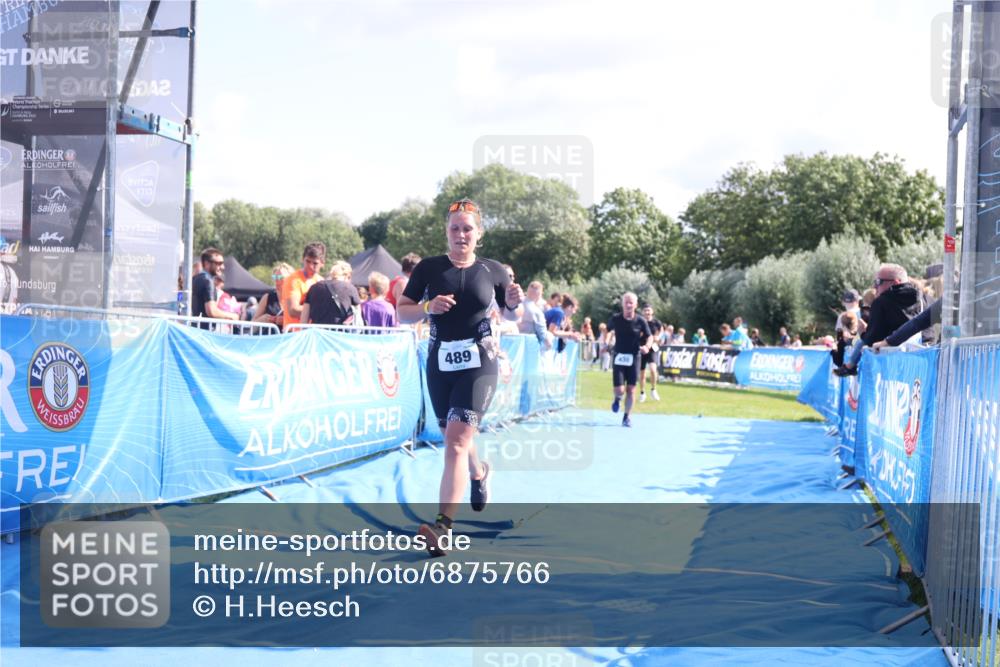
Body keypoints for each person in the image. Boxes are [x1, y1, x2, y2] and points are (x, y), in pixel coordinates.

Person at [395, 198, 523, 557]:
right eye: (455, 228)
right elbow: (401, 312)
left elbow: (513, 315)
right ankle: (479, 472)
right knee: (457, 439)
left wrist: (514, 302)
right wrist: (425, 308)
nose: (461, 234)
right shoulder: (428, 269)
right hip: (439, 363)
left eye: (468, 228)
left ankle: (442, 527)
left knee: (454, 441)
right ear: (446, 232)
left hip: (479, 363)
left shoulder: (493, 270)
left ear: (478, 234)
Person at [835, 263, 924, 376]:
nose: (875, 286)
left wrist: (863, 332)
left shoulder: (881, 302)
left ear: (896, 282)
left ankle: (849, 367)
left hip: (889, 366)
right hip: (916, 360)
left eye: (879, 282)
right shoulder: (921, 299)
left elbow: (872, 339)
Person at [607, 292, 652, 428]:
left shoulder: (640, 321)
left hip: (635, 357)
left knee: (631, 389)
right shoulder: (616, 319)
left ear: (635, 305)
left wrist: (647, 346)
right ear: (622, 304)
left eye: (631, 302)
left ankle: (626, 417)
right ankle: (617, 398)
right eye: (626, 302)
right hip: (619, 357)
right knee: (620, 390)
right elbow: (607, 330)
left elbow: (649, 336)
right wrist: (607, 341)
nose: (628, 305)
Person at [191, 248, 239, 330]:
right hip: (205, 333)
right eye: (218, 263)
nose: (222, 267)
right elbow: (211, 311)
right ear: (206, 263)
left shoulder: (195, 278)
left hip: (195, 329)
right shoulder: (208, 281)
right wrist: (232, 316)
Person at [281, 242, 326, 331]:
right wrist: (321, 311)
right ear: (302, 259)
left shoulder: (322, 282)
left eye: (315, 263)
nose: (310, 266)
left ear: (322, 263)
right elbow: (293, 310)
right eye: (307, 261)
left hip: (313, 334)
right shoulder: (293, 280)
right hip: (294, 334)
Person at [301, 260, 361, 326]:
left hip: (317, 333)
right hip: (340, 334)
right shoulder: (351, 289)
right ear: (348, 276)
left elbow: (304, 317)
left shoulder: (314, 287)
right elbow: (358, 317)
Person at [252, 262, 294, 331]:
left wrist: (286, 322)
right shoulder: (267, 297)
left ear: (290, 279)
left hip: (289, 340)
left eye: (280, 277)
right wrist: (262, 319)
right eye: (275, 277)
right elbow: (252, 325)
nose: (277, 280)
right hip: (269, 339)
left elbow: (302, 324)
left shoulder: (295, 298)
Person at [638, 304, 663, 402]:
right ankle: (642, 393)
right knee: (642, 373)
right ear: (642, 312)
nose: (647, 312)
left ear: (652, 311)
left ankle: (653, 389)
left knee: (653, 370)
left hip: (653, 349)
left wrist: (659, 337)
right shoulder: (640, 322)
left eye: (649, 310)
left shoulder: (656, 322)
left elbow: (661, 331)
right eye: (645, 310)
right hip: (642, 349)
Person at [518, 281, 549, 348]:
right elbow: (542, 334)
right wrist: (549, 344)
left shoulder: (516, 303)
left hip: (514, 344)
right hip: (529, 346)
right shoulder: (536, 311)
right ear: (539, 294)